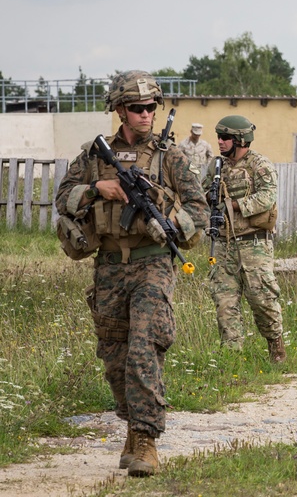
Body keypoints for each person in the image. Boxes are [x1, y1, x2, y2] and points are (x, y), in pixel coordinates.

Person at [55, 70, 208, 478]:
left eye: (151, 107)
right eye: (138, 108)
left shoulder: (170, 156)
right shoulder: (94, 154)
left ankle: (146, 440)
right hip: (108, 267)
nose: (146, 114)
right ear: (120, 110)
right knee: (115, 357)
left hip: (153, 263)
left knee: (144, 349)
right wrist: (95, 190)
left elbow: (200, 210)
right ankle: (131, 426)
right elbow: (62, 198)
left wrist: (173, 225)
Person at [205, 115, 285, 363]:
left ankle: (276, 345)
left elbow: (267, 197)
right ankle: (232, 355)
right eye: (219, 136)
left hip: (254, 244)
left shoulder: (260, 165)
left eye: (225, 137)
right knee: (224, 301)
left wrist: (234, 205)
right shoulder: (216, 167)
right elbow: (202, 193)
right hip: (225, 244)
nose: (220, 141)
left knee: (262, 299)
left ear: (240, 139)